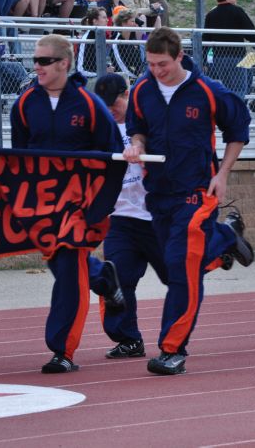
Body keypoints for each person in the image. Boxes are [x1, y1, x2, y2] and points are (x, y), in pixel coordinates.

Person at [123, 27, 254, 375]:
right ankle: (226, 239)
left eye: (162, 64)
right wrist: (137, 147)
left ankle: (172, 348)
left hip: (197, 193)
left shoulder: (209, 91)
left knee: (181, 267)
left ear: (179, 56)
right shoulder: (141, 91)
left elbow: (239, 130)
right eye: (150, 64)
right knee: (175, 265)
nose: (156, 71)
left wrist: (222, 173)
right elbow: (138, 130)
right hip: (159, 195)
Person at [9, 35, 125, 373]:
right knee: (62, 266)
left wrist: (99, 206)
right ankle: (103, 277)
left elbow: (113, 158)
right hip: (43, 206)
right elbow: (19, 159)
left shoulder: (90, 106)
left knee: (70, 273)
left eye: (44, 61)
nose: (37, 66)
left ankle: (63, 350)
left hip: (80, 205)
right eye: (35, 60)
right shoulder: (24, 104)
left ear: (64, 62)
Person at [94, 73, 169, 359]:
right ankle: (128, 338)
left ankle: (223, 242)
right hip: (122, 218)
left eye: (114, 103)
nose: (110, 109)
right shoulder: (103, 129)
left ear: (127, 94)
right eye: (105, 105)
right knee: (115, 279)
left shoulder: (147, 121)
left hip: (154, 216)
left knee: (178, 275)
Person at [203, 0, 255, 100]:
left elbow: (206, 38)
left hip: (218, 58)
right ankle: (236, 113)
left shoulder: (211, 14)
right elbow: (250, 31)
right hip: (236, 56)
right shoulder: (237, 11)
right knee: (240, 88)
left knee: (229, 88)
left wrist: (205, 59)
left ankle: (230, 111)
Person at [77, 7, 115, 85]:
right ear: (95, 21)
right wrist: (102, 72)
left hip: (97, 76)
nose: (107, 20)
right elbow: (81, 70)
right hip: (86, 81)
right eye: (104, 17)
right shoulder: (87, 39)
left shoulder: (99, 35)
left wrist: (108, 67)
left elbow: (97, 61)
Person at [112, 8, 144, 78]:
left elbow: (139, 63)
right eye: (132, 21)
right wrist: (137, 76)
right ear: (123, 23)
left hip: (136, 77)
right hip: (124, 78)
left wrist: (141, 73)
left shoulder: (132, 39)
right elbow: (121, 65)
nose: (135, 24)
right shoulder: (116, 41)